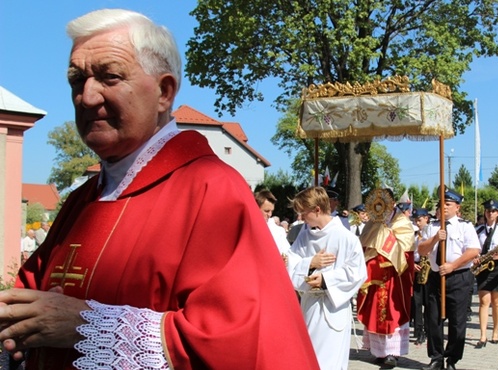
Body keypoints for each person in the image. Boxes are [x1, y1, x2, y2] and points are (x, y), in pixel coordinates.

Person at [0, 9, 319, 369]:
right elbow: (29, 293)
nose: (86, 97)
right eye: (77, 80)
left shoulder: (212, 190)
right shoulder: (82, 200)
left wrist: (86, 325)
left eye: (109, 77)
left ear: (165, 92)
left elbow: (245, 341)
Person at [286, 186, 367, 370]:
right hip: (308, 307)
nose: (301, 217)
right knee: (307, 360)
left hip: (332, 310)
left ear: (317, 209)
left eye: (303, 212)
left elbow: (357, 273)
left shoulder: (346, 238)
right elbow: (291, 263)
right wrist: (310, 263)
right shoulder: (304, 236)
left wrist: (325, 280)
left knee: (328, 364)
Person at [417, 189, 481, 370]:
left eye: (448, 204)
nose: (443, 207)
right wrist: (435, 238)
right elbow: (421, 250)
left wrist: (453, 265)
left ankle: (452, 358)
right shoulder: (432, 226)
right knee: (433, 319)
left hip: (458, 277)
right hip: (436, 277)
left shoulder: (465, 225)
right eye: (442, 204)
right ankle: (436, 358)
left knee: (457, 321)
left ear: (457, 207)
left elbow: (473, 250)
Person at [357, 188, 415, 368]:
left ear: (392, 203)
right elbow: (364, 246)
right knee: (375, 312)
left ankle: (392, 353)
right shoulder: (373, 222)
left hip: (394, 276)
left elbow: (407, 249)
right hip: (375, 276)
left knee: (393, 312)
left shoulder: (402, 222)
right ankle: (378, 351)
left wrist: (385, 237)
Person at [472, 200, 498, 349]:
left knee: (496, 301)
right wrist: (476, 257)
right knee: (484, 301)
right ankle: (482, 335)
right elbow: (473, 248)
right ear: (485, 212)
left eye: (494, 211)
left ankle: (495, 332)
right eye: (488, 211)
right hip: (483, 267)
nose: (490, 213)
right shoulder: (478, 230)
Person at [411, 208, 431, 345]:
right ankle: (418, 331)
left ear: (426, 219)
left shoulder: (431, 233)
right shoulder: (413, 235)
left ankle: (430, 330)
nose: (417, 223)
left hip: (429, 267)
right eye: (415, 220)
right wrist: (412, 264)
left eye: (419, 220)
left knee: (429, 303)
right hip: (417, 267)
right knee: (417, 303)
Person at [255, 189, 291, 256]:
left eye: (272, 211)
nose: (270, 214)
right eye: (266, 211)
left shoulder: (278, 231)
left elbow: (287, 253)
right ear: (255, 208)